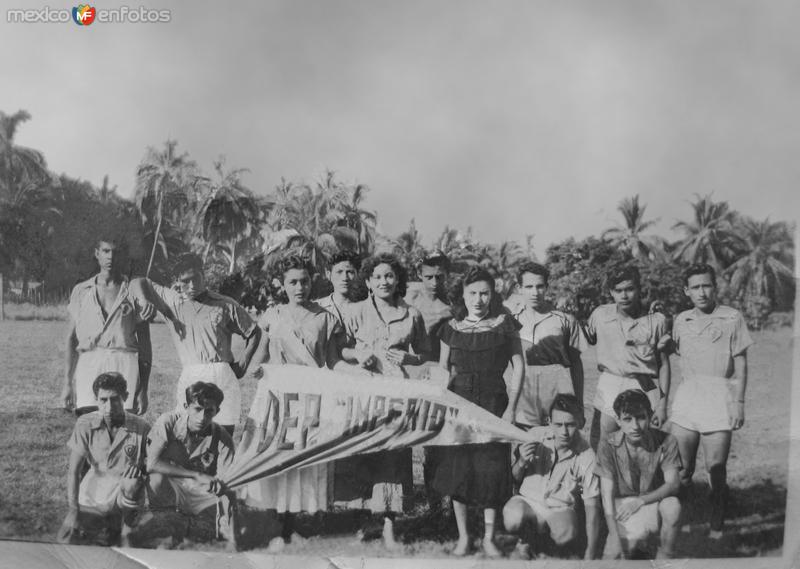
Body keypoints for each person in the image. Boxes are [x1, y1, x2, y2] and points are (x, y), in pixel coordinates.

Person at [242, 255, 343, 548]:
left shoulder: (325, 318)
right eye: (293, 282)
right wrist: (255, 369)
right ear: (282, 285)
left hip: (310, 393)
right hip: (277, 394)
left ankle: (298, 522)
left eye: (305, 281)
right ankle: (277, 525)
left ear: (313, 282)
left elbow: (334, 361)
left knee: (302, 457)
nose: (300, 287)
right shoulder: (272, 315)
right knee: (276, 454)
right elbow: (259, 355)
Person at [336, 252, 431, 549]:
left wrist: (410, 356)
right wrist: (358, 355)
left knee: (393, 456)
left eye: (389, 276)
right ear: (367, 281)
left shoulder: (412, 314)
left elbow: (427, 355)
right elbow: (340, 349)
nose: (383, 282)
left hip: (397, 394)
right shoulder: (356, 312)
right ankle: (365, 521)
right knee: (363, 453)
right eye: (377, 277)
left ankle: (390, 525)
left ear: (398, 280)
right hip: (363, 392)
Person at [429, 267, 525, 557]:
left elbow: (519, 367)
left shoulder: (504, 324)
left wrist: (511, 408)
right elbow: (443, 370)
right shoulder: (451, 328)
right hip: (459, 406)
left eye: (485, 292)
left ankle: (489, 538)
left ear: (493, 294)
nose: (479, 299)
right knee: (458, 470)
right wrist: (440, 405)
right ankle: (463, 537)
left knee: (492, 470)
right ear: (463, 295)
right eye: (473, 293)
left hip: (494, 405)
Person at [131, 253, 261, 435]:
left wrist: (243, 364)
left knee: (223, 434)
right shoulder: (173, 302)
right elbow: (138, 281)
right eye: (186, 281)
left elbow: (254, 332)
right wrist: (145, 301)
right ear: (177, 281)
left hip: (222, 374)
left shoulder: (225, 304)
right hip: (192, 374)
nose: (192, 286)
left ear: (203, 274)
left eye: (196, 278)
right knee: (187, 434)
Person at [667, 263, 753, 537]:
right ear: (686, 291)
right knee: (682, 470)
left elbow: (741, 364)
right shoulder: (680, 320)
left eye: (706, 285)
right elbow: (675, 352)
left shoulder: (732, 317)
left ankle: (716, 526)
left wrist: (738, 402)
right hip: (688, 397)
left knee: (716, 470)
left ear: (715, 287)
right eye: (695, 287)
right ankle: (678, 523)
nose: (701, 292)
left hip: (719, 397)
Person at [503, 393, 600, 559]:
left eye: (570, 425)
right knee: (513, 517)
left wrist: (590, 554)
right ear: (549, 421)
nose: (563, 432)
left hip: (559, 508)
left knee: (567, 532)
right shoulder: (534, 435)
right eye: (558, 424)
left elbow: (592, 509)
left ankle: (546, 547)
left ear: (580, 423)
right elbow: (514, 478)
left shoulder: (587, 456)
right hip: (528, 502)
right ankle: (526, 542)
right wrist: (521, 463)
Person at [582, 265, 670, 449]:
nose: (624, 295)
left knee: (642, 449)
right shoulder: (600, 314)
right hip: (610, 384)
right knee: (603, 447)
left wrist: (662, 405)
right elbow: (585, 338)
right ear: (611, 292)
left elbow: (663, 364)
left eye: (630, 289)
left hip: (643, 386)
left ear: (639, 289)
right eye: (618, 290)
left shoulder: (656, 321)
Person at [58, 372, 150, 546]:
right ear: (96, 399)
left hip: (125, 490)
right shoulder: (85, 423)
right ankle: (105, 524)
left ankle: (127, 523)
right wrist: (73, 510)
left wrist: (140, 468)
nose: (109, 406)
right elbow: (74, 471)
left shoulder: (141, 426)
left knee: (126, 543)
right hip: (95, 486)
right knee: (66, 539)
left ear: (125, 397)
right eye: (103, 400)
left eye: (115, 399)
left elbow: (154, 463)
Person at [62, 237, 152, 415]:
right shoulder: (81, 290)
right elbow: (71, 339)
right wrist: (67, 383)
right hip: (89, 362)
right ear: (97, 253)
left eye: (116, 252)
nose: (111, 256)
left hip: (124, 361)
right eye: (106, 251)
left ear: (123, 256)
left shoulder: (134, 291)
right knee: (88, 423)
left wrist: (143, 389)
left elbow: (145, 345)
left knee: (122, 428)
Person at [146, 381, 238, 549]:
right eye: (197, 409)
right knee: (155, 479)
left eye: (209, 411)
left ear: (217, 411)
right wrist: (196, 474)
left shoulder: (223, 438)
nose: (202, 417)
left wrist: (220, 489)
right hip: (170, 484)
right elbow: (151, 463)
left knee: (204, 539)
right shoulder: (169, 422)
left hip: (200, 491)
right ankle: (163, 519)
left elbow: (227, 482)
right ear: (186, 406)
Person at [595, 390, 682, 559]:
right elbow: (607, 494)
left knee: (673, 506)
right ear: (618, 420)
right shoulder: (607, 443)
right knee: (612, 558)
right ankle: (631, 541)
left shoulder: (667, 440)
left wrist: (640, 501)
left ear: (650, 416)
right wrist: (613, 534)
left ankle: (665, 557)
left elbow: (673, 484)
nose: (635, 426)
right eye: (627, 419)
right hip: (620, 508)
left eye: (641, 417)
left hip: (651, 501)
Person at [508, 262, 586, 429]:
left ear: (547, 287)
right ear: (519, 288)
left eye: (540, 286)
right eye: (528, 287)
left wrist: (579, 405)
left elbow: (577, 366)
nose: (535, 292)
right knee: (526, 450)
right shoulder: (511, 321)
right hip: (524, 399)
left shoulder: (565, 320)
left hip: (558, 398)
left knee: (559, 448)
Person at [316, 250, 361, 325]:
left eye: (350, 272)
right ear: (328, 274)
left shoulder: (364, 308)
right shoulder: (317, 307)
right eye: (339, 272)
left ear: (357, 275)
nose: (345, 278)